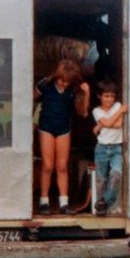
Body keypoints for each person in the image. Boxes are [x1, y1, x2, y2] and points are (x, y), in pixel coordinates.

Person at [34, 59, 89, 215]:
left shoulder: (73, 89)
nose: (64, 84)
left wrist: (86, 93)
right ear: (56, 76)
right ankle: (44, 201)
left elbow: (83, 112)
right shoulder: (45, 85)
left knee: (62, 166)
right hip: (46, 127)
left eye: (67, 81)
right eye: (62, 80)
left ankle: (63, 203)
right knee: (47, 165)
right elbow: (30, 98)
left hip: (63, 128)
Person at [91, 81, 128, 216]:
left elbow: (119, 124)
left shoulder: (117, 105)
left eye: (112, 96)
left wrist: (102, 125)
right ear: (99, 96)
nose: (110, 99)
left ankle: (104, 202)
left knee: (116, 174)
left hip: (116, 148)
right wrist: (119, 112)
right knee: (101, 180)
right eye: (106, 96)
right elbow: (109, 122)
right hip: (101, 148)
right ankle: (101, 209)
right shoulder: (96, 110)